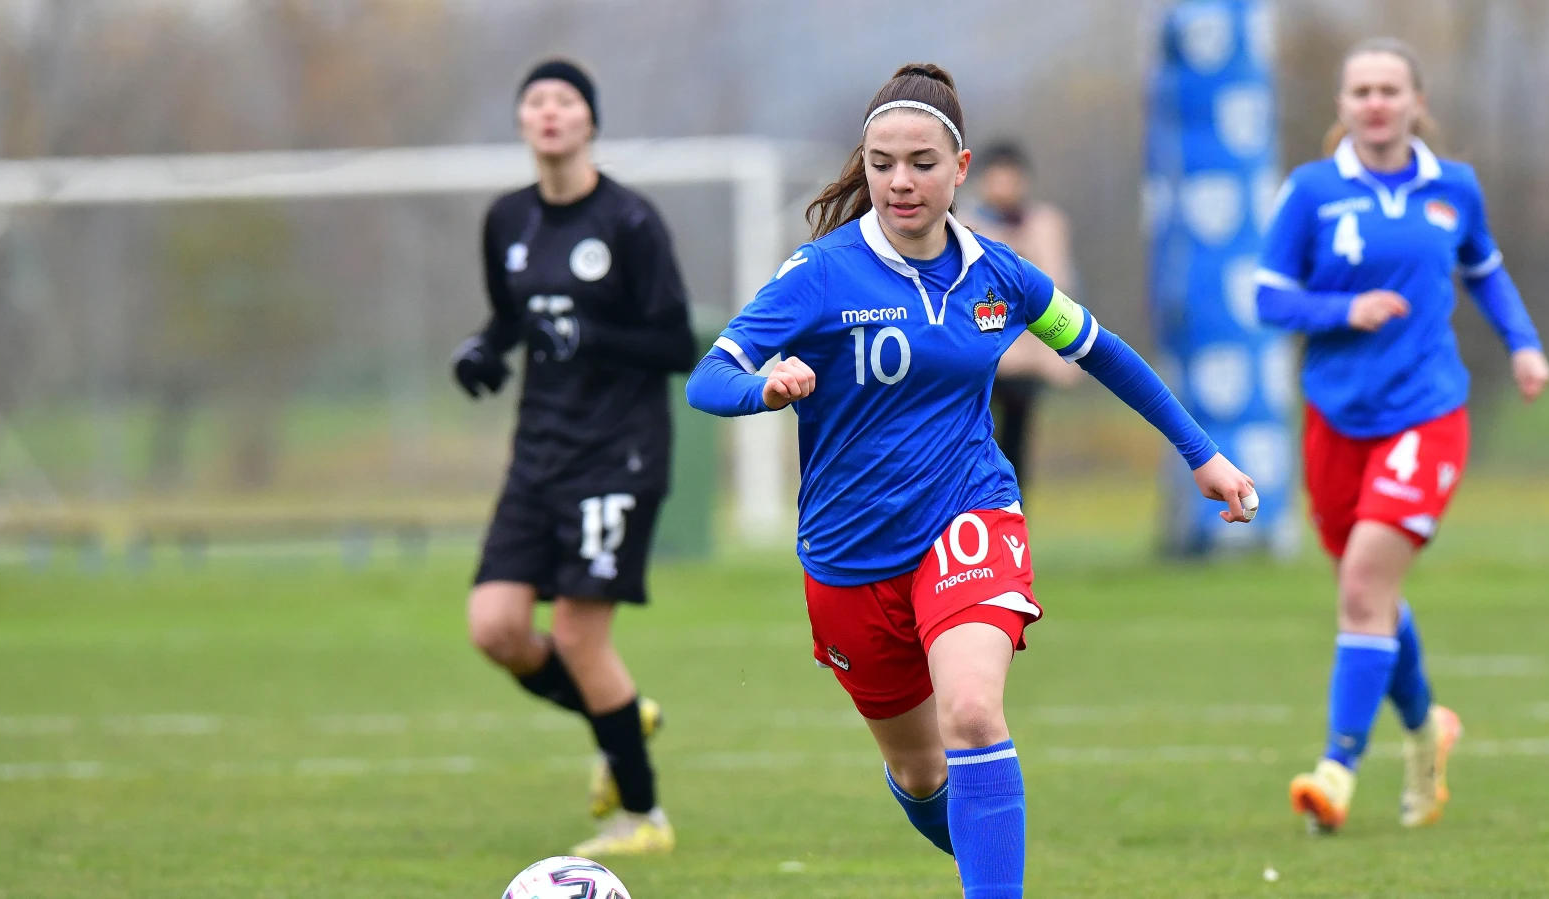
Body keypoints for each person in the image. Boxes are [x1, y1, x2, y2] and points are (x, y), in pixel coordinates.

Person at [687, 63, 1257, 898]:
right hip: (848, 558)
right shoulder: (818, 274)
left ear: (960, 169)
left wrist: (1199, 450)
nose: (899, 181)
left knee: (974, 714)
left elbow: (1098, 349)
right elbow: (709, 378)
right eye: (881, 162)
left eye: (921, 162)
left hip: (969, 515)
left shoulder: (1000, 273)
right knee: (922, 776)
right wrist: (762, 389)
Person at [1255, 37, 1549, 835]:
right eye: (1362, 90)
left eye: (1391, 88)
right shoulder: (1313, 191)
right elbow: (1268, 298)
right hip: (1334, 418)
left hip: (1427, 413)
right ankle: (1427, 730)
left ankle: (1336, 770)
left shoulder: (1452, 187)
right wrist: (1341, 311)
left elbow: (1483, 268)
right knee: (1371, 593)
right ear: (1344, 105)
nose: (1377, 102)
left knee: (1361, 588)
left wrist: (1522, 343)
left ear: (1418, 101)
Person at [453, 58, 697, 857]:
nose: (550, 113)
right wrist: (485, 352)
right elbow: (509, 319)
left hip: (616, 455)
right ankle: (619, 713)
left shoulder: (629, 222)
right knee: (494, 626)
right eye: (536, 101)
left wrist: (591, 336)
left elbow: (674, 342)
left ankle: (645, 818)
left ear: (590, 121)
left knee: (581, 637)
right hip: (538, 454)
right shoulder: (506, 221)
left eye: (566, 101)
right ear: (522, 122)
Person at [962, 142, 1082, 493]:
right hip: (977, 353)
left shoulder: (1046, 223)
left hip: (1025, 357)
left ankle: (1011, 516)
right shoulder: (963, 223)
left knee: (1015, 445)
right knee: (972, 442)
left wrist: (1064, 357)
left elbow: (1059, 283)